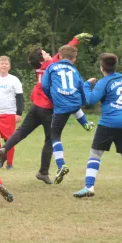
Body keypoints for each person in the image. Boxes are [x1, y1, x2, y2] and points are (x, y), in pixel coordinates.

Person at [0, 33, 94, 184]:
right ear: (42, 59)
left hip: (36, 106)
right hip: (49, 108)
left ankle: (4, 148)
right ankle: (43, 172)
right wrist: (76, 39)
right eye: (45, 53)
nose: (48, 53)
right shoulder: (52, 65)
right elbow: (67, 50)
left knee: (21, 131)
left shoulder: (40, 68)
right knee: (50, 139)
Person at [73, 53, 122, 199]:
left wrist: (87, 85)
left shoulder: (103, 82)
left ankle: (89, 186)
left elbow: (90, 100)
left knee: (95, 153)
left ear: (102, 67)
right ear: (115, 65)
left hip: (109, 122)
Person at [38, 44, 86, 184]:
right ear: (74, 59)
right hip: (74, 102)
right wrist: (82, 100)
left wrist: (53, 97)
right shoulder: (75, 70)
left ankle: (61, 165)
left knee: (55, 136)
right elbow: (81, 86)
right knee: (75, 107)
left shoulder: (52, 67)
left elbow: (45, 86)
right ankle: (86, 124)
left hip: (60, 106)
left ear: (58, 56)